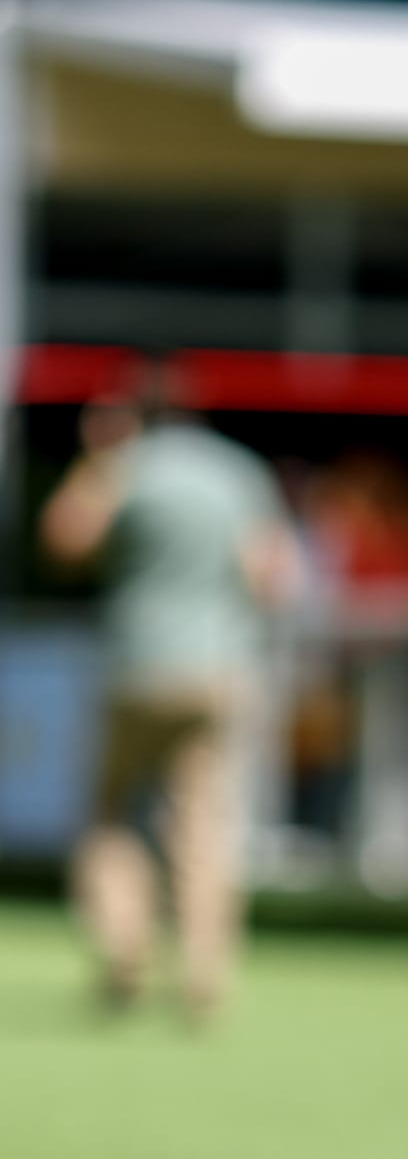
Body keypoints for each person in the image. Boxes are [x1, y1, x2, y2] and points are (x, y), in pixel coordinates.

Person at [40, 374, 297, 1021]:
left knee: (109, 815)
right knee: (203, 824)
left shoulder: (124, 467)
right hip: (218, 671)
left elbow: (64, 539)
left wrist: (95, 458)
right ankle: (203, 971)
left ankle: (124, 945)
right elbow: (272, 576)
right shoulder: (240, 473)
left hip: (135, 668)